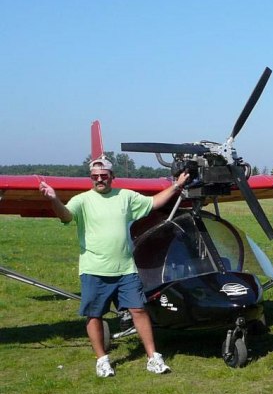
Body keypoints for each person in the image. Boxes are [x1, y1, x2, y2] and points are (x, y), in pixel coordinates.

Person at [39, 157, 189, 377]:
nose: (100, 180)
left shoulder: (125, 196)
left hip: (125, 268)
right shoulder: (82, 200)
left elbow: (153, 203)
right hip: (94, 269)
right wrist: (53, 199)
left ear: (112, 177)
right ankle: (102, 360)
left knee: (138, 309)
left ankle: (153, 357)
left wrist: (176, 185)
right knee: (94, 314)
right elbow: (66, 216)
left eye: (104, 176)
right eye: (95, 177)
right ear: (91, 178)